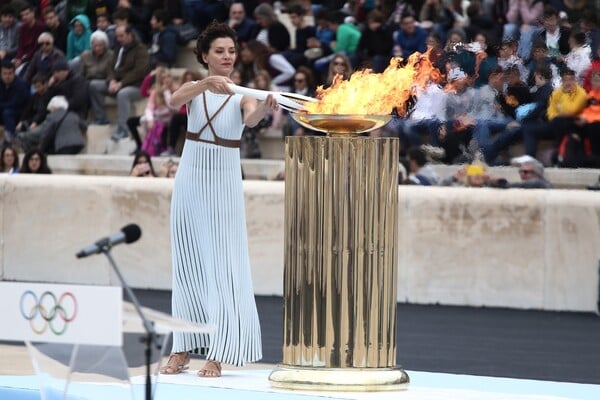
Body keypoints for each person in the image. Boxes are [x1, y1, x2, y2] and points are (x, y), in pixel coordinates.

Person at [160, 21, 278, 378]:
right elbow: (173, 100)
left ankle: (219, 351)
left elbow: (251, 116)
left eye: (231, 51)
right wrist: (202, 84)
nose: (227, 57)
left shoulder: (243, 92)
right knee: (187, 263)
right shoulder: (195, 88)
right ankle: (181, 347)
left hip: (223, 182)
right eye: (219, 51)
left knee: (224, 265)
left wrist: (263, 108)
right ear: (205, 56)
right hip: (190, 179)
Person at [0, 60, 30, 145]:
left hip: (19, 112)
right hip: (4, 109)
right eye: (5, 74)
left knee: (7, 113)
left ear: (14, 73)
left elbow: (14, 103)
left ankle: (10, 140)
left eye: (10, 73)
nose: (7, 76)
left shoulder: (21, 84)